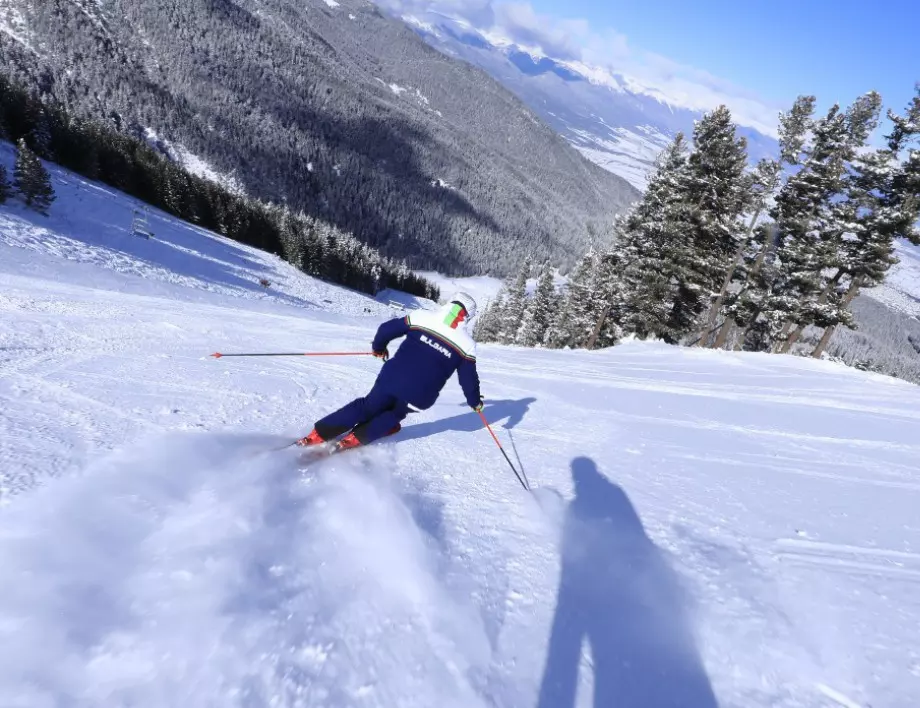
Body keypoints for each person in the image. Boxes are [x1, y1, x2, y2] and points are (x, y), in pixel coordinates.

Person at [297, 292, 484, 451]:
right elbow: (469, 381)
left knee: (368, 406)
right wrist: (475, 403)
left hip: (391, 378)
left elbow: (387, 329)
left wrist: (379, 347)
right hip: (421, 396)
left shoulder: (422, 317)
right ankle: (357, 438)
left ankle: (319, 433)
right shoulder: (467, 344)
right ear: (468, 316)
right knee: (395, 414)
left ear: (449, 304)